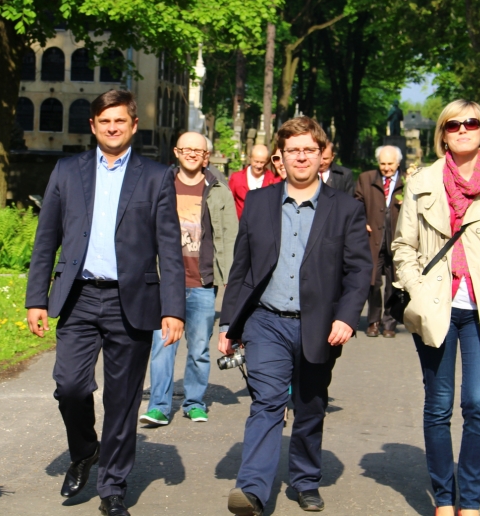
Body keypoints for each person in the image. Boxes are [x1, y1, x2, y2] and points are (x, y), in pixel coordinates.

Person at [25, 90, 185, 516]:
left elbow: (169, 248)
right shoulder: (67, 171)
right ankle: (84, 449)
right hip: (77, 297)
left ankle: (112, 486)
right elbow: (46, 238)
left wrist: (173, 308)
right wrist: (36, 298)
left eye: (120, 121)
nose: (112, 128)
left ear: (134, 126)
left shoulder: (156, 177)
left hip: (131, 301)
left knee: (122, 400)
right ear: (93, 126)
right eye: (105, 121)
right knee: (70, 386)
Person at [219, 117, 371, 515]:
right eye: (293, 151)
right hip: (266, 321)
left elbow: (359, 270)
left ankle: (305, 480)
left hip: (319, 326)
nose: (301, 157)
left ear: (322, 156)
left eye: (309, 150)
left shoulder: (346, 209)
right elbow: (242, 268)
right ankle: (251, 489)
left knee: (310, 404)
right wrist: (229, 324)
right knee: (267, 402)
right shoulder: (258, 203)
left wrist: (346, 317)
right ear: (280, 158)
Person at [392, 100, 480, 516]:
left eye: (471, 123)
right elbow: (403, 245)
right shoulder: (422, 182)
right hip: (436, 303)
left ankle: (469, 502)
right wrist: (416, 289)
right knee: (439, 406)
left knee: (477, 403)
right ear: (443, 133)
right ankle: (444, 497)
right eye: (453, 124)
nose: (463, 130)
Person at [139, 132, 238, 426]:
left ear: (206, 156)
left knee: (198, 349)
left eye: (199, 150)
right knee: (162, 346)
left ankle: (194, 402)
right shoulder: (161, 184)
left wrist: (231, 277)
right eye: (187, 149)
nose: (192, 154)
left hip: (202, 283)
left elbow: (229, 236)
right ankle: (159, 406)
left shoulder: (218, 190)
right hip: (165, 282)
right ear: (176, 152)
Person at [354, 145, 404, 338]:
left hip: (396, 239)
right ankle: (373, 320)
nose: (386, 168)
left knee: (394, 283)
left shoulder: (407, 181)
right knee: (373, 282)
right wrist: (362, 221)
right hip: (373, 237)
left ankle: (389, 322)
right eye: (383, 163)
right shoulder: (366, 178)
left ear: (398, 163)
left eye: (390, 164)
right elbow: (357, 202)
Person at [228, 143, 279, 218]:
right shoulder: (236, 178)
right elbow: (228, 203)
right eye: (256, 161)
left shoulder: (274, 180)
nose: (259, 165)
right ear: (250, 158)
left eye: (262, 162)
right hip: (240, 223)